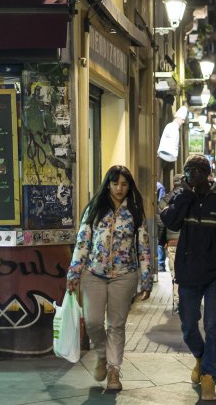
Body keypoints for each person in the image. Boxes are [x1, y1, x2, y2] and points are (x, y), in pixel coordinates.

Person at [160, 154, 216, 402]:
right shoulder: (181, 196)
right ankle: (201, 356)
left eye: (197, 170)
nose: (191, 175)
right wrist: (185, 194)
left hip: (215, 274)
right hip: (187, 272)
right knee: (187, 327)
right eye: (188, 171)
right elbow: (169, 220)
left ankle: (209, 377)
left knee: (213, 327)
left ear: (207, 172)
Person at [66, 165, 153, 392]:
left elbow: (143, 246)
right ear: (108, 184)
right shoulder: (95, 208)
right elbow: (82, 243)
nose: (119, 188)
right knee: (93, 321)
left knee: (116, 325)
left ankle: (114, 370)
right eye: (115, 183)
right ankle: (102, 355)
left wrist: (146, 279)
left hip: (125, 275)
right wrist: (73, 274)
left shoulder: (134, 210)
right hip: (94, 273)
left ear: (129, 186)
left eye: (124, 184)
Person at [155, 181, 167, 271]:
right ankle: (160, 264)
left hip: (157, 214)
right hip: (159, 215)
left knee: (159, 241)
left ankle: (160, 263)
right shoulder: (160, 186)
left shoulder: (158, 186)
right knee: (160, 240)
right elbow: (162, 202)